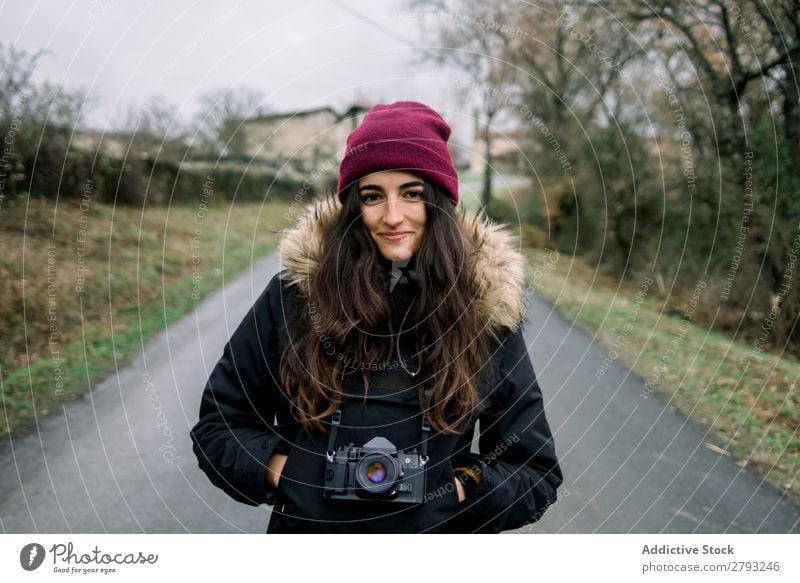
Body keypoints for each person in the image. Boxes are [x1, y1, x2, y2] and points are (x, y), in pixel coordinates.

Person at [190, 101, 562, 533]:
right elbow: (219, 425)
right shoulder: (296, 299)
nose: (391, 216)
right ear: (353, 206)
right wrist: (285, 473)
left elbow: (533, 470)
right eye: (372, 196)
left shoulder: (482, 311)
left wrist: (459, 489)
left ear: (438, 202)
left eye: (411, 193)